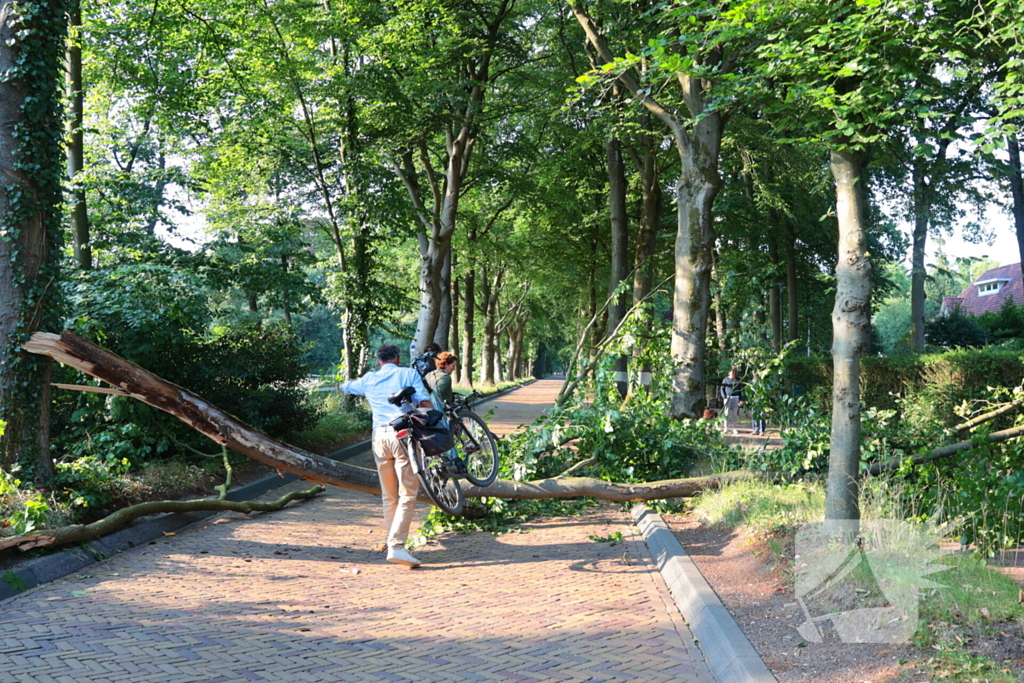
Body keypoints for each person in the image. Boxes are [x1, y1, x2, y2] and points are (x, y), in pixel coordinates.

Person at [342, 343, 432, 568]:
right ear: (398, 358)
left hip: (379, 436)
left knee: (388, 495)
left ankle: (393, 542)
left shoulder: (369, 379)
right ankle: (397, 546)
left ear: (378, 360)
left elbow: (346, 387)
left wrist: (346, 384)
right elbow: (424, 403)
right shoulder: (408, 373)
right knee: (408, 493)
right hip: (402, 434)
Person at [719, 367, 742, 435]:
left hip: (736, 398)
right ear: (729, 372)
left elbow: (741, 390)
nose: (732, 373)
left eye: (734, 372)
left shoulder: (738, 380)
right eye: (731, 372)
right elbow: (722, 388)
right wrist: (724, 397)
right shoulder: (725, 380)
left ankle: (734, 428)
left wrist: (741, 399)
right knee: (726, 413)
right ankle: (726, 428)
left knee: (734, 414)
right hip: (728, 397)